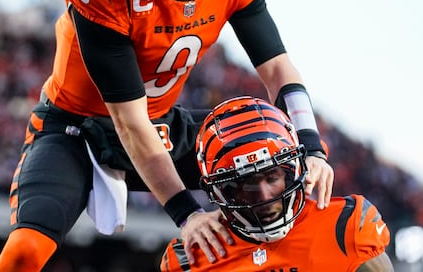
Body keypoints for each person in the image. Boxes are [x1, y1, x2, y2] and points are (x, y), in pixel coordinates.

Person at [0, 0, 334, 271]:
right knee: (26, 251)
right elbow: (128, 122)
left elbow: (278, 68)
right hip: (78, 127)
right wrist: (187, 214)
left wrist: (311, 146)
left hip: (162, 124)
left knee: (276, 170)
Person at [160, 96, 393, 272]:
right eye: (246, 183)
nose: (264, 195)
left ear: (293, 171)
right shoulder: (192, 256)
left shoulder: (346, 228)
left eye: (272, 177)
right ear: (224, 191)